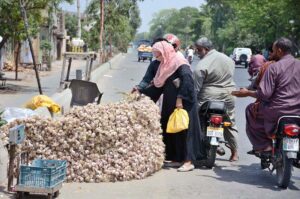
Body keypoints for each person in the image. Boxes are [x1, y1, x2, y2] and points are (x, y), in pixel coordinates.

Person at [140, 41, 204, 171]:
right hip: (171, 103)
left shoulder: (179, 63)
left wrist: (180, 99)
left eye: (158, 55)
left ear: (165, 52)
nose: (157, 58)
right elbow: (159, 86)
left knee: (185, 131)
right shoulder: (165, 65)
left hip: (183, 104)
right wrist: (141, 93)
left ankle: (188, 161)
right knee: (173, 130)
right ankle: (176, 158)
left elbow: (187, 82)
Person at [232, 37, 300, 153]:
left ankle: (264, 146)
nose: (271, 53)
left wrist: (247, 93)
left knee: (250, 110)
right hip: (298, 111)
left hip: (276, 111)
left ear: (279, 50)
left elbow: (265, 94)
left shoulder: (273, 67)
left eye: (273, 51)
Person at [193, 37, 239, 161]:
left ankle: (196, 147)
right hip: (229, 95)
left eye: (198, 49)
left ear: (206, 49)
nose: (197, 52)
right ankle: (235, 153)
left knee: (195, 118)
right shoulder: (228, 59)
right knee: (230, 123)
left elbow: (196, 89)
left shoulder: (201, 65)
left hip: (208, 97)